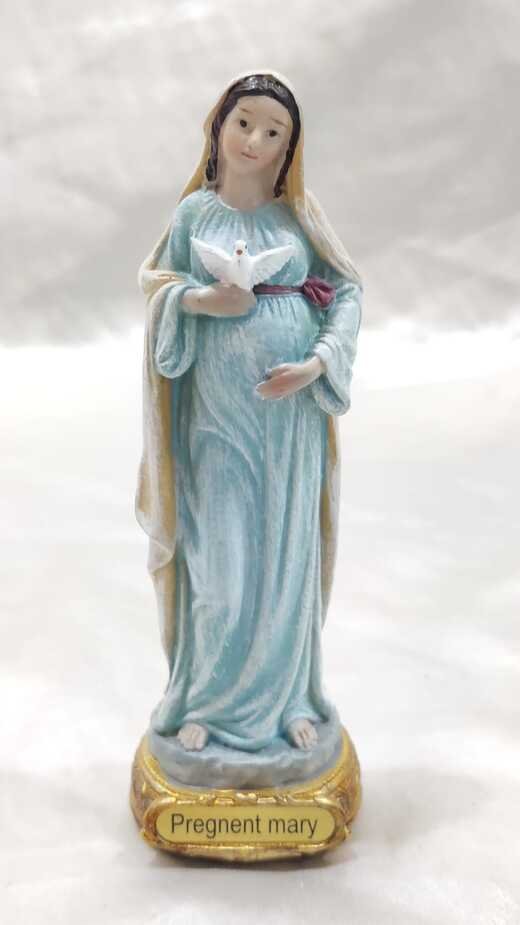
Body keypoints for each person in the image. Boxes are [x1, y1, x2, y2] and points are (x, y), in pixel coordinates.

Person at [136, 69, 363, 789]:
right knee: (223, 569)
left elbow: (347, 291)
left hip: (289, 429)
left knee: (283, 563)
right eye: (244, 122)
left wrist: (317, 362)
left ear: (290, 148)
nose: (255, 140)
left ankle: (289, 702)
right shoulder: (193, 217)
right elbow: (157, 288)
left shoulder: (299, 220)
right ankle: (205, 702)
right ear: (218, 124)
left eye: (273, 131)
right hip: (216, 423)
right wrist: (202, 302)